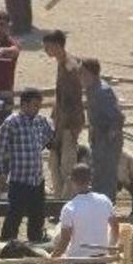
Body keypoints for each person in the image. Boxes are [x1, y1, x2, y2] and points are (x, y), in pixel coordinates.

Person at [0, 88, 54, 242]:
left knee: (37, 218)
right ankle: (6, 247)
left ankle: (34, 248)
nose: (37, 109)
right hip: (19, 180)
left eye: (38, 106)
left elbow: (48, 138)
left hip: (37, 179)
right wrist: (1, 173)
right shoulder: (11, 123)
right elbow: (1, 151)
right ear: (24, 104)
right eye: (34, 105)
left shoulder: (40, 122)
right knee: (14, 217)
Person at [43, 164, 119, 264]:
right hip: (100, 261)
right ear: (90, 180)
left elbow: (64, 241)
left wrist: (49, 263)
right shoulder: (104, 200)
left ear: (72, 181)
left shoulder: (70, 208)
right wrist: (110, 248)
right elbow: (115, 228)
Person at [43, 30, 85, 199]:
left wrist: (59, 131)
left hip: (68, 123)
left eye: (48, 47)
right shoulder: (63, 63)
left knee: (67, 166)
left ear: (57, 45)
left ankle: (66, 201)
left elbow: (69, 102)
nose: (46, 50)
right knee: (55, 163)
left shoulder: (69, 67)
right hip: (61, 121)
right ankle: (60, 199)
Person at [80, 59, 125, 204]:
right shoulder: (91, 88)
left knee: (107, 176)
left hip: (107, 140)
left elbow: (118, 117)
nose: (80, 76)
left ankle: (105, 207)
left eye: (83, 73)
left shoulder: (102, 91)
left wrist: (109, 137)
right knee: (98, 174)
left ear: (91, 74)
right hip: (98, 137)